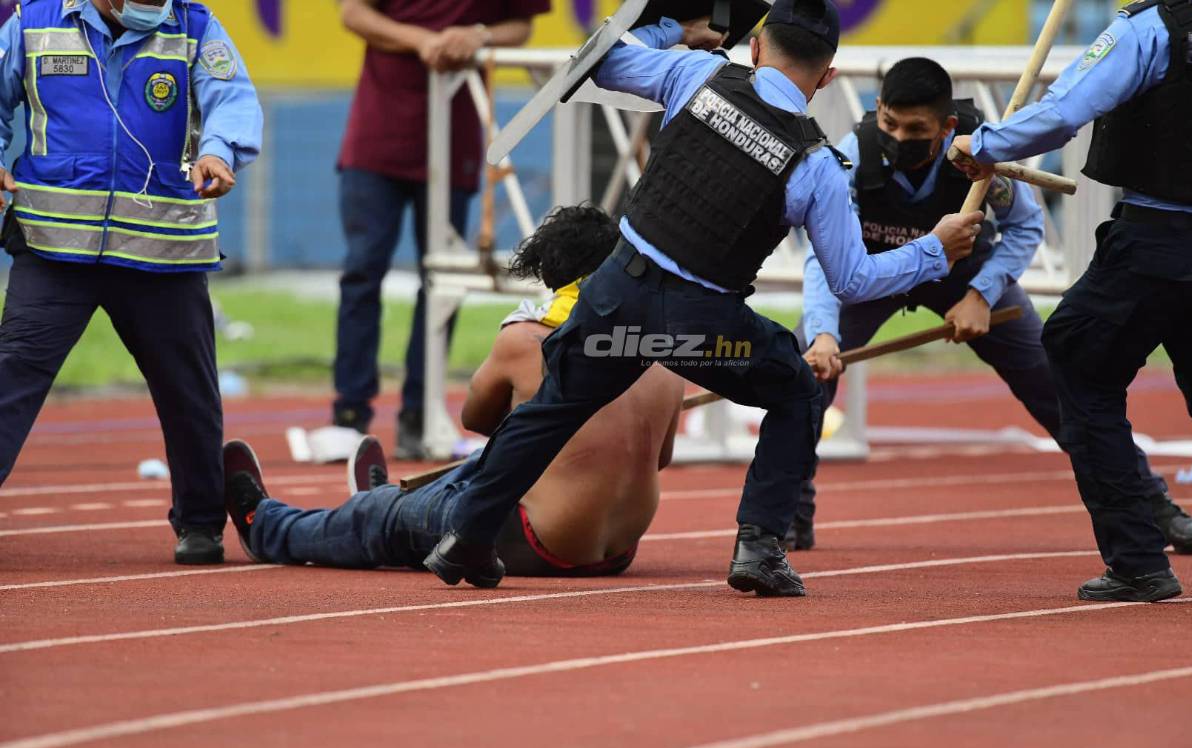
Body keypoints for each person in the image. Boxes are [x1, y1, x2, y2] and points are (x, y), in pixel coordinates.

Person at [413, 1, 985, 597]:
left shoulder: (696, 74)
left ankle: (467, 537)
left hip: (616, 295)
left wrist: (673, 30)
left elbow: (601, 61)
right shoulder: (818, 164)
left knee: (552, 407)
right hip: (701, 329)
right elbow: (853, 281)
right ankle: (759, 549)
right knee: (796, 392)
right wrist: (935, 250)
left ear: (757, 49)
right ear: (828, 76)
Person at [790, 56, 1192, 555]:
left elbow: (1025, 227)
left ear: (947, 127)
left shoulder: (982, 158)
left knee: (1061, 384)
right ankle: (787, 514)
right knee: (804, 375)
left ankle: (1154, 511)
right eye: (889, 124)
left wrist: (981, 295)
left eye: (917, 129)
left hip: (966, 275)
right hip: (877, 274)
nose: (899, 137)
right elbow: (823, 256)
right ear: (877, 110)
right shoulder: (852, 156)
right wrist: (823, 334)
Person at [225, 205, 685, 576]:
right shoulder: (661, 347)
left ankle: (267, 526)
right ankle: (391, 499)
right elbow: (659, 458)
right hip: (618, 550)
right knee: (496, 463)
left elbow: (476, 420)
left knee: (378, 520)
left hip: (535, 542)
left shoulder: (526, 340)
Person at [952, 0, 1192, 602]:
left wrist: (984, 143)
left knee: (1078, 362)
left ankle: (1139, 560)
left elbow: (1064, 112)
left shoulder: (1150, 27)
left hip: (1159, 240)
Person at [0, 0, 262, 564]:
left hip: (161, 252)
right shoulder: (33, 22)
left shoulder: (194, 27)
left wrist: (218, 151)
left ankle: (199, 522)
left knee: (190, 393)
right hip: (56, 249)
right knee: (9, 380)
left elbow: (231, 99)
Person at [332, 0, 551, 459]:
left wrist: (478, 36)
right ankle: (348, 417)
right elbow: (352, 13)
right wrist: (425, 41)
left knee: (442, 281)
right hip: (377, 135)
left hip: (455, 137)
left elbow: (521, 26)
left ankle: (418, 413)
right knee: (361, 271)